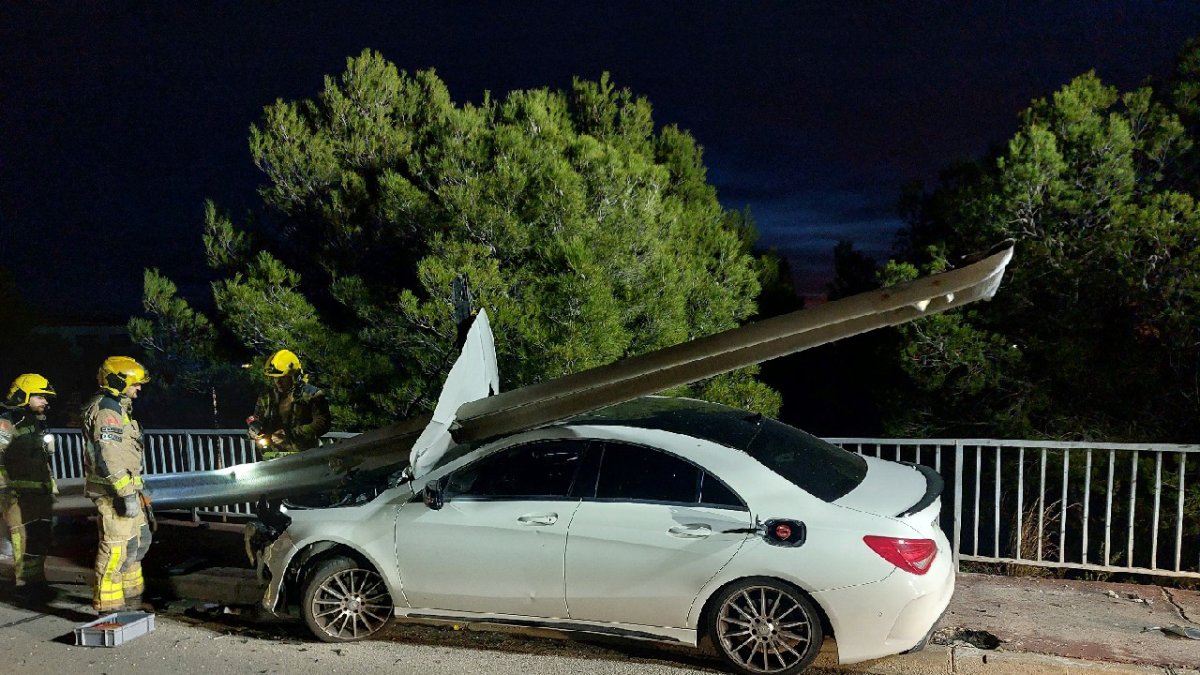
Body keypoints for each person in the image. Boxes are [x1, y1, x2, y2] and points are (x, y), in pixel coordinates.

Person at [81, 356, 152, 613]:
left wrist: (134, 491)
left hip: (128, 491)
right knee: (115, 550)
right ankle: (109, 607)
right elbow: (109, 454)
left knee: (137, 542)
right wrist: (125, 493)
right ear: (119, 381)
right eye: (136, 383)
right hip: (113, 495)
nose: (139, 388)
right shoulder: (107, 411)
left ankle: (132, 598)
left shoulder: (118, 407)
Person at [0, 374, 57, 604]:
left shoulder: (35, 423)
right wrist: (4, 491)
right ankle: (24, 587)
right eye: (40, 396)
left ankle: (36, 582)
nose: (45, 401)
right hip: (16, 495)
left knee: (38, 539)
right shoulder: (6, 423)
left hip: (37, 495)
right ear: (24, 396)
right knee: (22, 541)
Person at [247, 349, 331, 460]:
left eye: (283, 378)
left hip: (304, 456)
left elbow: (322, 423)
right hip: (271, 457)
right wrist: (253, 431)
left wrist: (290, 434)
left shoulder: (312, 394)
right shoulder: (266, 396)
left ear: (295, 376)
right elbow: (257, 420)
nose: (278, 382)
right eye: (274, 378)